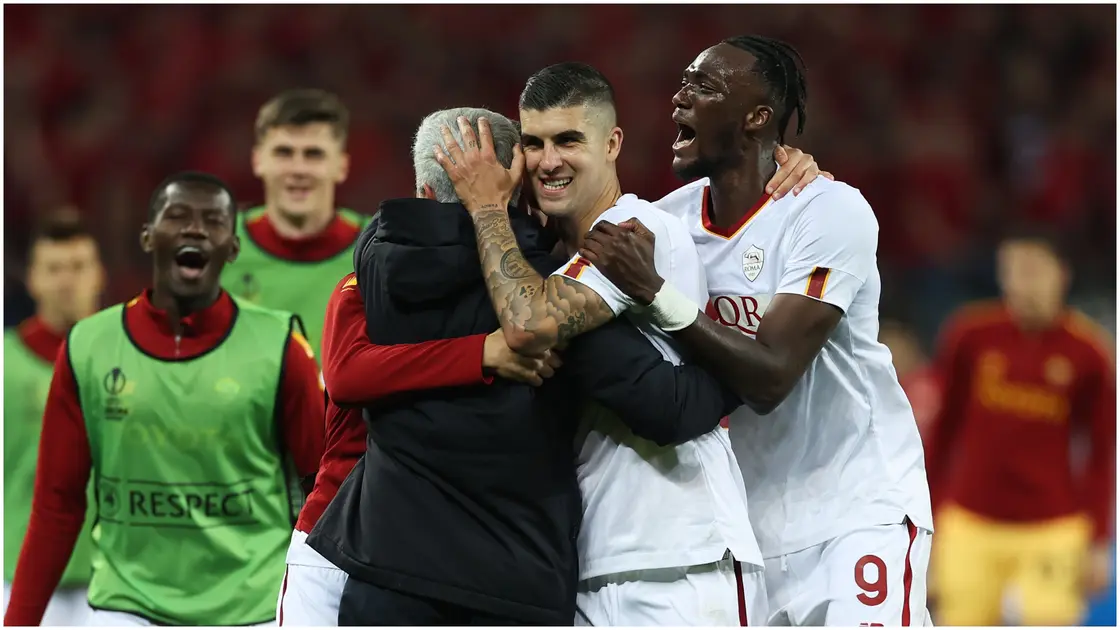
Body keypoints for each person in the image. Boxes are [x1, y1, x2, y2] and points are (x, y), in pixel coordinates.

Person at [308, 107, 754, 626]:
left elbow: (347, 374)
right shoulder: (545, 295)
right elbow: (667, 408)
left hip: (383, 577)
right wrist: (739, 362)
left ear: (424, 191)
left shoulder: (373, 261)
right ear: (517, 185)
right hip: (512, 583)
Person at [430, 64, 824, 626]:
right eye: (535, 144)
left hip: (685, 559)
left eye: (569, 140)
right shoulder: (543, 256)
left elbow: (527, 324)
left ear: (612, 143)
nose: (549, 161)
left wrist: (487, 207)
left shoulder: (636, 229)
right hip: (593, 560)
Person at [574, 36, 934, 626]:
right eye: (683, 82)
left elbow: (771, 378)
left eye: (704, 87)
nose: (679, 99)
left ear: (758, 117)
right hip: (749, 532)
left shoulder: (826, 211)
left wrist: (657, 294)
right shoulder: (669, 223)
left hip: (855, 511)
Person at [4, 172, 326, 627]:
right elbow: (58, 504)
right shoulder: (89, 347)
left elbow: (320, 490)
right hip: (126, 607)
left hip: (250, 608)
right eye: (177, 216)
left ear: (232, 246)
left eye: (212, 220)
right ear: (147, 237)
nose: (194, 229)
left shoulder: (280, 346)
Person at [277, 271, 558, 626]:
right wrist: (480, 353)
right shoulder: (369, 283)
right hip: (333, 535)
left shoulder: (521, 300)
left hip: (450, 552)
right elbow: (347, 375)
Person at [924, 228, 1115, 626]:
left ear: (1061, 274)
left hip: (1053, 527)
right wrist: (929, 523)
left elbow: (1101, 454)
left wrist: (1099, 541)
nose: (1020, 282)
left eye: (1032, 270)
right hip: (969, 522)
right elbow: (942, 435)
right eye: (1011, 271)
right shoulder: (970, 336)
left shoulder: (1089, 353)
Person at [4, 214, 104, 625]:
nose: (67, 281)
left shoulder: (129, 359)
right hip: (18, 570)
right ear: (32, 278)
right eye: (54, 268)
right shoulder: (3, 364)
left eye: (78, 267)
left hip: (110, 575)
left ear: (99, 274)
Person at [222, 88, 371, 358]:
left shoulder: (378, 250)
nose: (298, 169)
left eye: (314, 154)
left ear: (342, 165)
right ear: (257, 161)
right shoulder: (219, 246)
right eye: (283, 152)